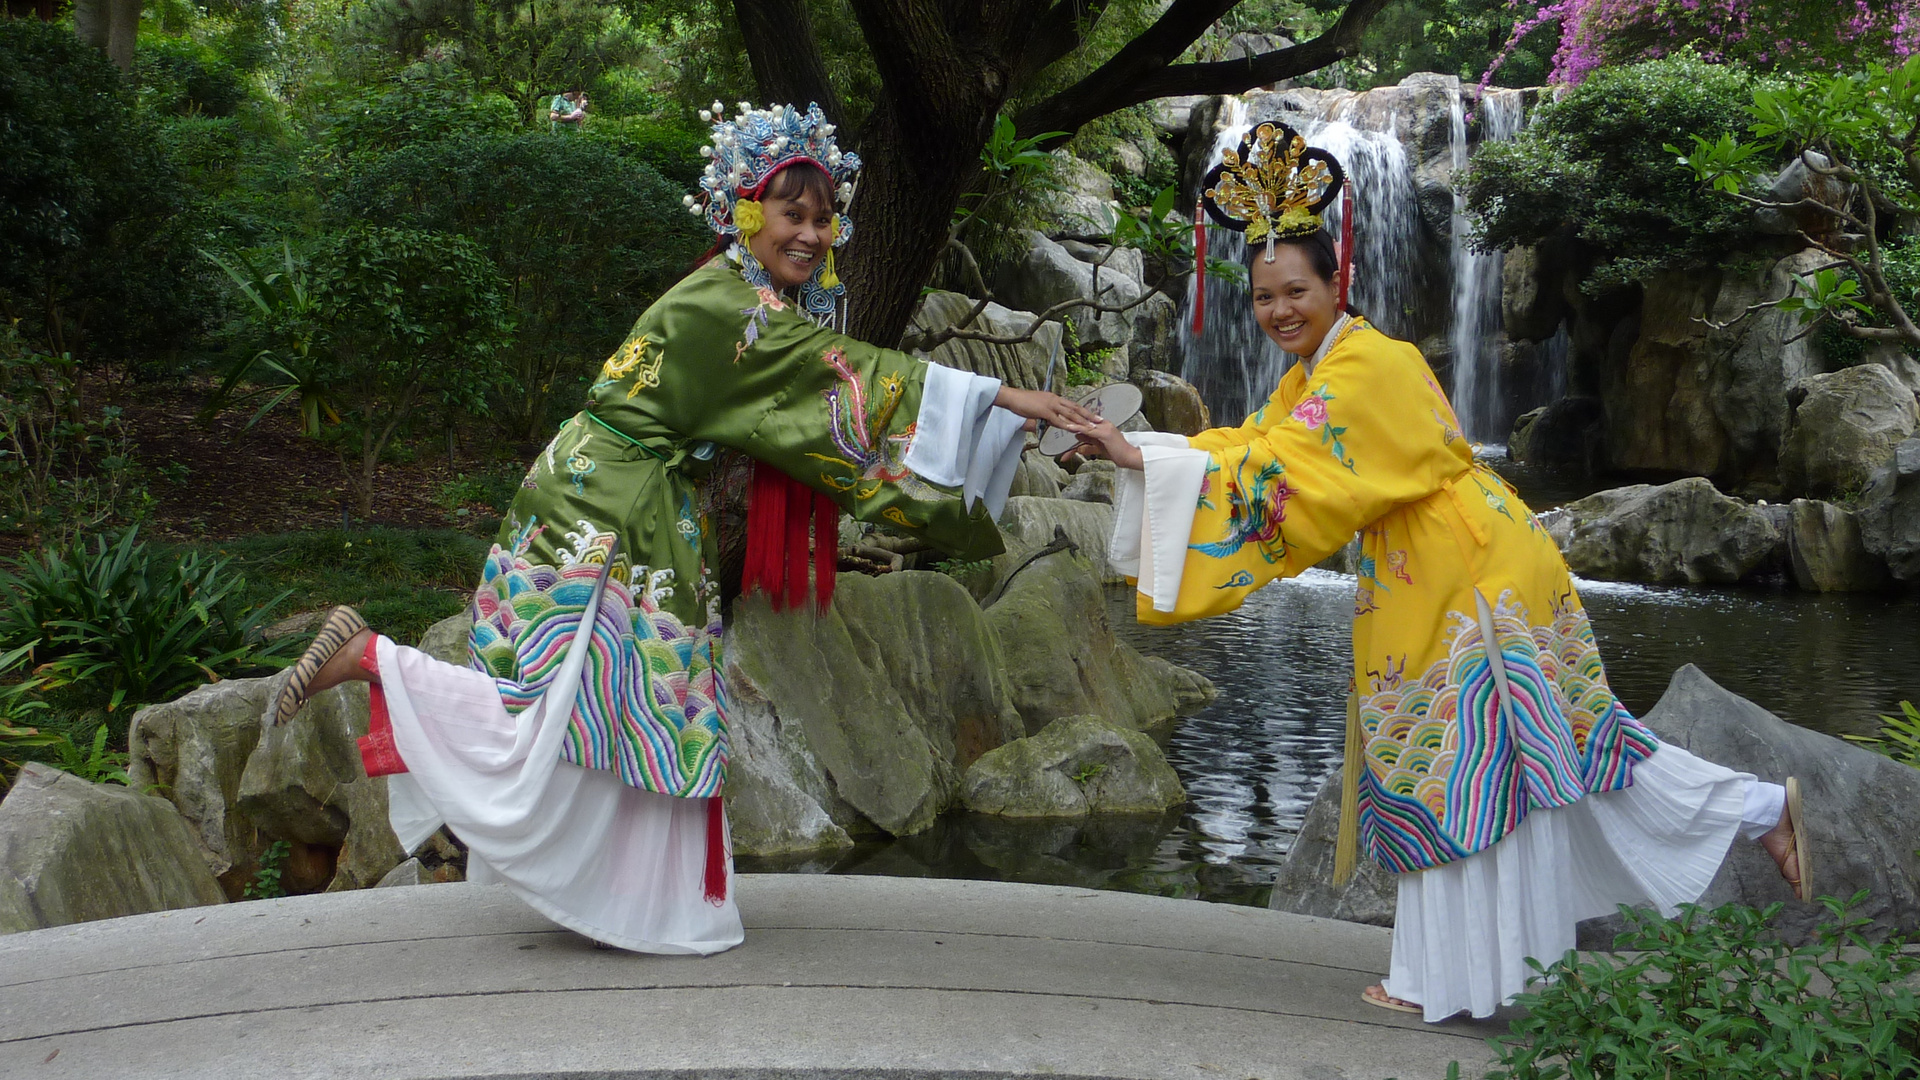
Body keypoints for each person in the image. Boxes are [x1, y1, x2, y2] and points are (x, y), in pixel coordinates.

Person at [270, 101, 1097, 955]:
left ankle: (640, 897)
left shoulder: (733, 298)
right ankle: (375, 662)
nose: (812, 235)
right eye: (793, 213)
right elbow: (863, 381)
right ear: (745, 213)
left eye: (824, 219)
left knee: (607, 700)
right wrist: (1005, 396)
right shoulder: (732, 314)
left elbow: (833, 388)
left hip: (600, 492)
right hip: (612, 514)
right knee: (591, 702)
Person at [1068, 119, 1812, 1022]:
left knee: (1466, 767)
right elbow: (1256, 447)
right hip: (1448, 567)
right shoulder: (1324, 369)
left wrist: (1150, 462)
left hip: (1468, 582)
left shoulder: (1367, 367)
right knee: (1535, 756)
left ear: (1337, 281)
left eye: (1294, 290)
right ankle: (1753, 811)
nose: (1276, 313)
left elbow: (1275, 474)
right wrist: (1142, 451)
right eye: (1263, 297)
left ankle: (1456, 977)